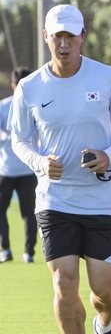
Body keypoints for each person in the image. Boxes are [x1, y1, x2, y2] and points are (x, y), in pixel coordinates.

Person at [11, 4, 111, 334]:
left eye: (71, 36)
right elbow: (20, 139)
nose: (64, 43)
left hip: (101, 200)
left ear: (83, 36)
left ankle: (103, 326)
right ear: (46, 38)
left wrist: (109, 154)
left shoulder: (106, 77)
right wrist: (38, 162)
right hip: (55, 200)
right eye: (58, 36)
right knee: (64, 281)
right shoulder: (30, 87)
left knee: (105, 291)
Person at [0, 67, 37, 263]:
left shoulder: (35, 105)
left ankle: (28, 252)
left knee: (29, 213)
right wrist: (8, 136)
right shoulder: (3, 107)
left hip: (27, 168)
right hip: (6, 170)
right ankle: (6, 250)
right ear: (13, 86)